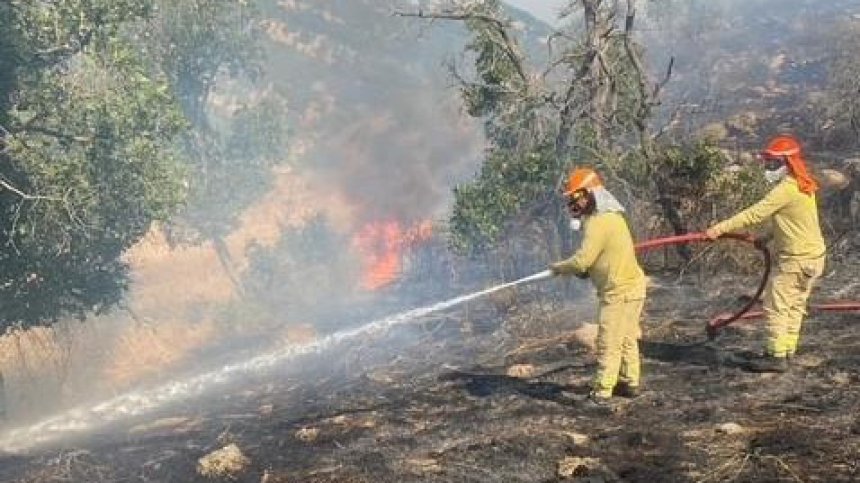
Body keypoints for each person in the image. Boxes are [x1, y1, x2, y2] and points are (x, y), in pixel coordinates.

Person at [705, 135, 826, 373]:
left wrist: (718, 229)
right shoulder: (804, 184)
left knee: (776, 306)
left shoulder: (787, 189)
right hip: (813, 258)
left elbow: (754, 214)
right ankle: (787, 349)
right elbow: (794, 221)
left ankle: (775, 357)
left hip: (796, 260)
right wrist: (768, 238)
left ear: (786, 163)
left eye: (772, 162)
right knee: (795, 305)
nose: (768, 167)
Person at [550, 168, 647, 404]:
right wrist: (587, 270)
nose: (574, 203)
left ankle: (602, 392)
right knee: (626, 338)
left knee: (608, 341)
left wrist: (560, 268)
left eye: (577, 197)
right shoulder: (613, 216)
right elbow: (601, 257)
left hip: (618, 292)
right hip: (634, 287)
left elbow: (583, 259)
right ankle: (629, 382)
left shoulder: (598, 222)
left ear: (590, 193)